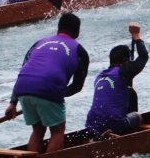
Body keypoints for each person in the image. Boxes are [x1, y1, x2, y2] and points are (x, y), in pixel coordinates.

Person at [6, 12, 90, 153]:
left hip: (22, 88)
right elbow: (77, 86)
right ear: (78, 32)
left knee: (38, 130)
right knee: (57, 131)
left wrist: (13, 103)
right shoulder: (79, 51)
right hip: (48, 88)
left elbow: (24, 72)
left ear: (58, 28)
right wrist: (56, 93)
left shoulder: (39, 43)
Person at [85, 22, 148, 137]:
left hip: (92, 126)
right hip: (114, 124)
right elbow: (143, 56)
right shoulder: (123, 71)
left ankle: (99, 136)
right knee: (138, 116)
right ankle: (126, 138)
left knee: (130, 94)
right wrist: (136, 35)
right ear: (126, 62)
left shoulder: (99, 77)